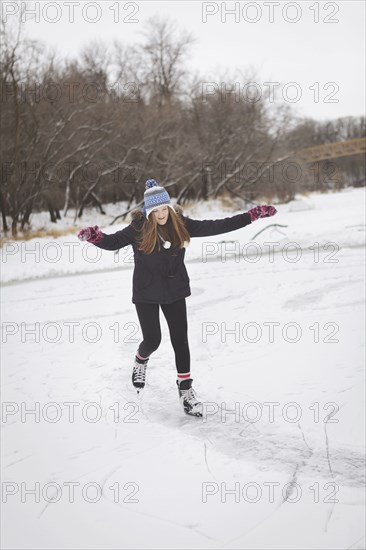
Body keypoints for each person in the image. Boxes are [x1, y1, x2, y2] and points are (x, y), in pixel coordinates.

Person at [77, 179, 277, 416]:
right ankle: (140, 360)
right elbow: (112, 242)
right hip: (146, 292)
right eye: (157, 210)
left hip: (174, 291)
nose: (161, 214)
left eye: (165, 209)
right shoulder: (138, 228)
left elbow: (218, 225)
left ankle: (186, 391)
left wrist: (251, 216)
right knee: (153, 341)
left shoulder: (180, 224)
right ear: (148, 211)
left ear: (170, 208)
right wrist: (94, 237)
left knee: (180, 340)